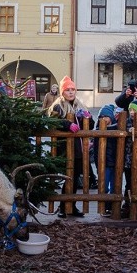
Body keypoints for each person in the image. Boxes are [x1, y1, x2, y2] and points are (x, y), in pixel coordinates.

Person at [48, 76, 90, 217]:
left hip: (78, 149)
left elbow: (89, 125)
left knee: (75, 177)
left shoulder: (80, 105)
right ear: (62, 92)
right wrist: (67, 124)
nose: (71, 92)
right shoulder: (58, 105)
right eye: (67, 90)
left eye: (73, 89)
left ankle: (71, 206)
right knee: (68, 177)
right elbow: (52, 121)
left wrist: (88, 118)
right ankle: (63, 207)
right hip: (64, 148)